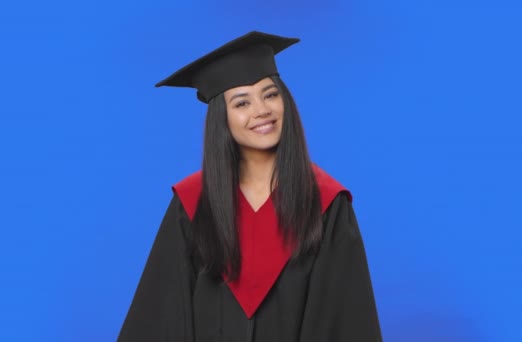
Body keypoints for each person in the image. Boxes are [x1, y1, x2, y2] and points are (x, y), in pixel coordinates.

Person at [118, 31, 382, 342]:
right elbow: (161, 316)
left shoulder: (326, 203)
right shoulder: (192, 203)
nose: (262, 110)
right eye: (242, 102)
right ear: (223, 118)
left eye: (270, 94)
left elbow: (344, 320)